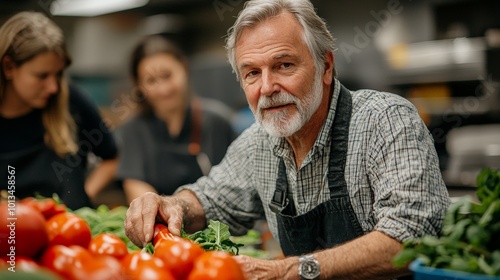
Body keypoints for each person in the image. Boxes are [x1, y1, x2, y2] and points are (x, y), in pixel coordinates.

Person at [124, 0, 451, 279]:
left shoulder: (386, 120)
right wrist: (172, 205)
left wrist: (289, 270)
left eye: (283, 65)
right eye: (252, 72)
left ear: (325, 66)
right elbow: (212, 199)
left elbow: (411, 236)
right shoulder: (257, 143)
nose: (267, 88)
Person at [0, 12, 118, 210]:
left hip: (69, 235)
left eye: (58, 74)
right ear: (9, 67)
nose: (54, 87)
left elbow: (111, 158)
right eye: (42, 75)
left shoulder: (72, 101)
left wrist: (84, 196)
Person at [115, 35, 236, 203]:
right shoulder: (133, 130)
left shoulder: (218, 122)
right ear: (139, 85)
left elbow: (237, 186)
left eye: (167, 76)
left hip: (216, 226)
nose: (163, 89)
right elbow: (135, 186)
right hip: (160, 226)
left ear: (184, 69)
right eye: (151, 81)